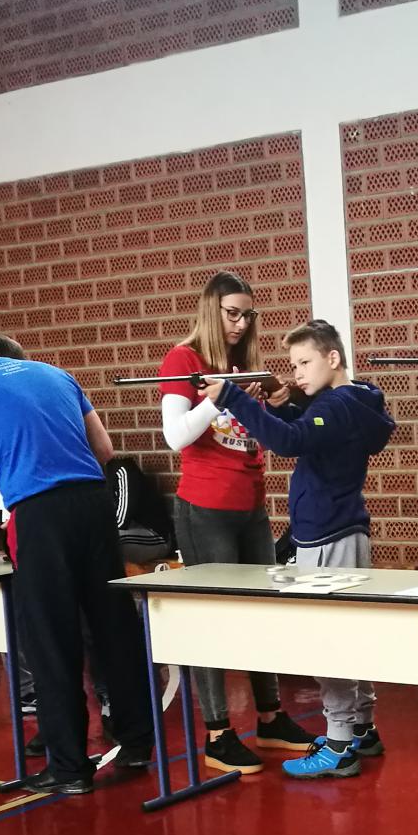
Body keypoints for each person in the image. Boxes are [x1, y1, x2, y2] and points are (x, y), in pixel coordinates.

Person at [0, 331, 153, 794]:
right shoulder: (55, 374)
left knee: (51, 640)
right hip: (94, 505)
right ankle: (136, 744)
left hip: (38, 514)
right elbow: (105, 451)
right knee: (113, 626)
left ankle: (69, 769)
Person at [201, 320, 394, 779]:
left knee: (328, 644)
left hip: (328, 538)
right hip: (341, 531)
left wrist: (233, 398)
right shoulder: (355, 401)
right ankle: (362, 728)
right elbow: (311, 433)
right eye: (293, 364)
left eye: (305, 362)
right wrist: (282, 406)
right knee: (348, 636)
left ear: (333, 358)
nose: (298, 372)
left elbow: (291, 441)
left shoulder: (337, 404)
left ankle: (340, 743)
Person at [158, 272, 315, 773]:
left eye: (248, 314)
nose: (241, 323)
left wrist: (275, 406)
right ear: (211, 309)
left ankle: (269, 717)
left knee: (261, 612)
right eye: (232, 313)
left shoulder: (243, 365)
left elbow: (259, 434)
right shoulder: (183, 360)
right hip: (206, 508)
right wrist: (217, 396)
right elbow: (176, 437)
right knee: (214, 618)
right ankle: (218, 732)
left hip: (251, 504)